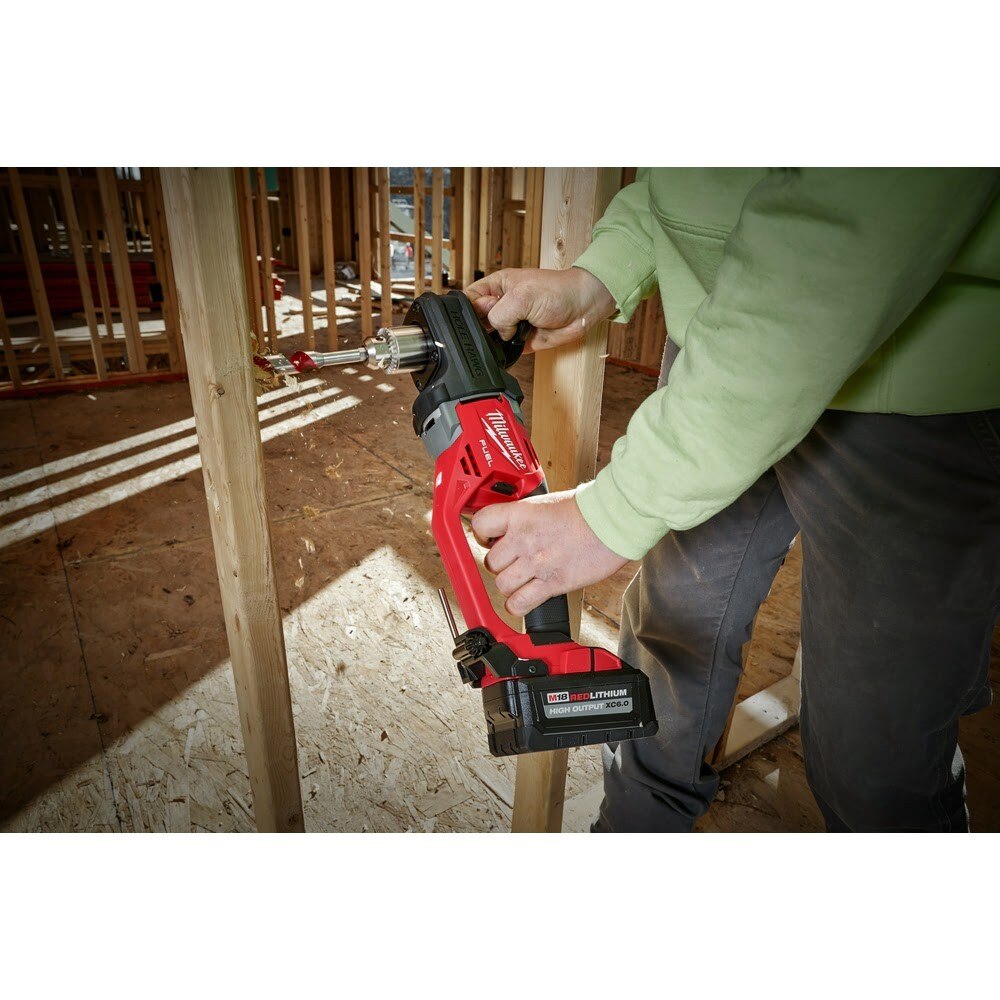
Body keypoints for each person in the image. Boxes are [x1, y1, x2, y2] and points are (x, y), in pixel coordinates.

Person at [465, 168, 1000, 833]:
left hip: (912, 393)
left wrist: (613, 512)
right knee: (672, 635)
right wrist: (599, 274)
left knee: (875, 744)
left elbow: (841, 230)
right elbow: (689, 177)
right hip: (717, 354)